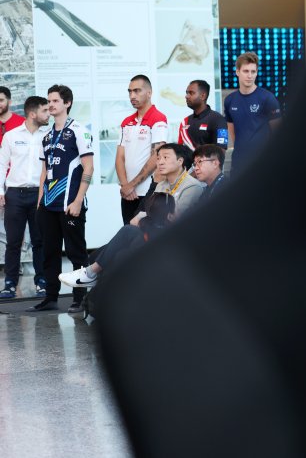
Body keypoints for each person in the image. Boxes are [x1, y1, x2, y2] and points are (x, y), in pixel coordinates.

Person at [27, 85, 94, 313]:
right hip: (48, 205)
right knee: (49, 252)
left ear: (67, 103)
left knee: (76, 253)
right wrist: (39, 203)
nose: (50, 105)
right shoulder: (46, 136)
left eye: (55, 101)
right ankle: (51, 297)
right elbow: (44, 172)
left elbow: (88, 167)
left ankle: (80, 298)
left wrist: (78, 201)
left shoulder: (78, 130)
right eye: (49, 101)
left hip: (70, 203)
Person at [59, 193, 176, 289]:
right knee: (104, 255)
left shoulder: (173, 210)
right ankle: (92, 276)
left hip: (160, 250)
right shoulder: (159, 189)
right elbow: (134, 220)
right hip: (148, 246)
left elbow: (134, 222)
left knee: (127, 233)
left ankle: (91, 273)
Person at [0, 96, 49, 298]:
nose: (49, 114)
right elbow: (2, 165)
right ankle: (10, 284)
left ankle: (42, 282)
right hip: (14, 195)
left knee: (39, 241)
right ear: (32, 113)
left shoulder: (48, 135)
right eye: (45, 110)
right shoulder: (11, 136)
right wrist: (0, 191)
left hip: (39, 194)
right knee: (13, 242)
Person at [116, 75, 168, 224]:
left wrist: (131, 185)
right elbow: (119, 157)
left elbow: (156, 156)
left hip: (148, 193)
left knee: (147, 235)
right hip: (127, 194)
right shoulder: (126, 122)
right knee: (128, 234)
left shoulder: (158, 119)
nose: (132, 96)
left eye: (137, 91)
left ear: (149, 93)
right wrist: (125, 186)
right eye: (130, 91)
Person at [224, 52, 282, 172]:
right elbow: (233, 133)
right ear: (237, 72)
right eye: (246, 71)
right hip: (239, 163)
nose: (250, 75)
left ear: (256, 73)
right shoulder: (230, 100)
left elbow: (279, 133)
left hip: (263, 163)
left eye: (253, 71)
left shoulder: (267, 98)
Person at [132, 143, 203, 223]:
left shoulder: (192, 186)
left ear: (180, 161)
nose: (160, 162)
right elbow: (150, 209)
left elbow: (177, 217)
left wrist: (143, 216)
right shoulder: (160, 185)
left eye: (165, 157)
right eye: (158, 158)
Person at [178, 80, 228, 150]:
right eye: (187, 93)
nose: (187, 96)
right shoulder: (185, 122)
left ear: (203, 96)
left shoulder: (218, 119)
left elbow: (221, 151)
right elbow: (179, 152)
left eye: (191, 93)